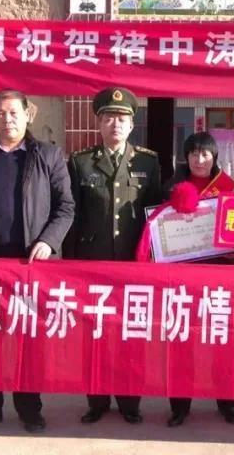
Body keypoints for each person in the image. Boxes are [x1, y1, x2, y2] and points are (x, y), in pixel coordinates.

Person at [0, 89, 76, 436]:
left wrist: (48, 241)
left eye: (13, 113)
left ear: (27, 115)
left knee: (27, 341)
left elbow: (66, 207)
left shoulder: (48, 155)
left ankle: (29, 409)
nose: (7, 120)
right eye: (0, 113)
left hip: (29, 266)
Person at [67, 86, 163, 425]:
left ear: (132, 124)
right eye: (109, 117)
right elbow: (72, 215)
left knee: (129, 334)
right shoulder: (80, 162)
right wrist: (70, 264)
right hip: (92, 262)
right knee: (94, 333)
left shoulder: (148, 161)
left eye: (122, 118)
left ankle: (129, 401)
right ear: (98, 122)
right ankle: (96, 400)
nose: (116, 124)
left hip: (133, 263)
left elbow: (155, 214)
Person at [156, 132, 234, 427]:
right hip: (182, 276)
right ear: (186, 157)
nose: (199, 160)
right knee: (182, 339)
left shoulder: (229, 186)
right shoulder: (172, 187)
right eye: (194, 154)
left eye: (205, 154)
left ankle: (226, 402)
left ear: (214, 157)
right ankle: (179, 405)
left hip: (221, 275)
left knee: (223, 340)